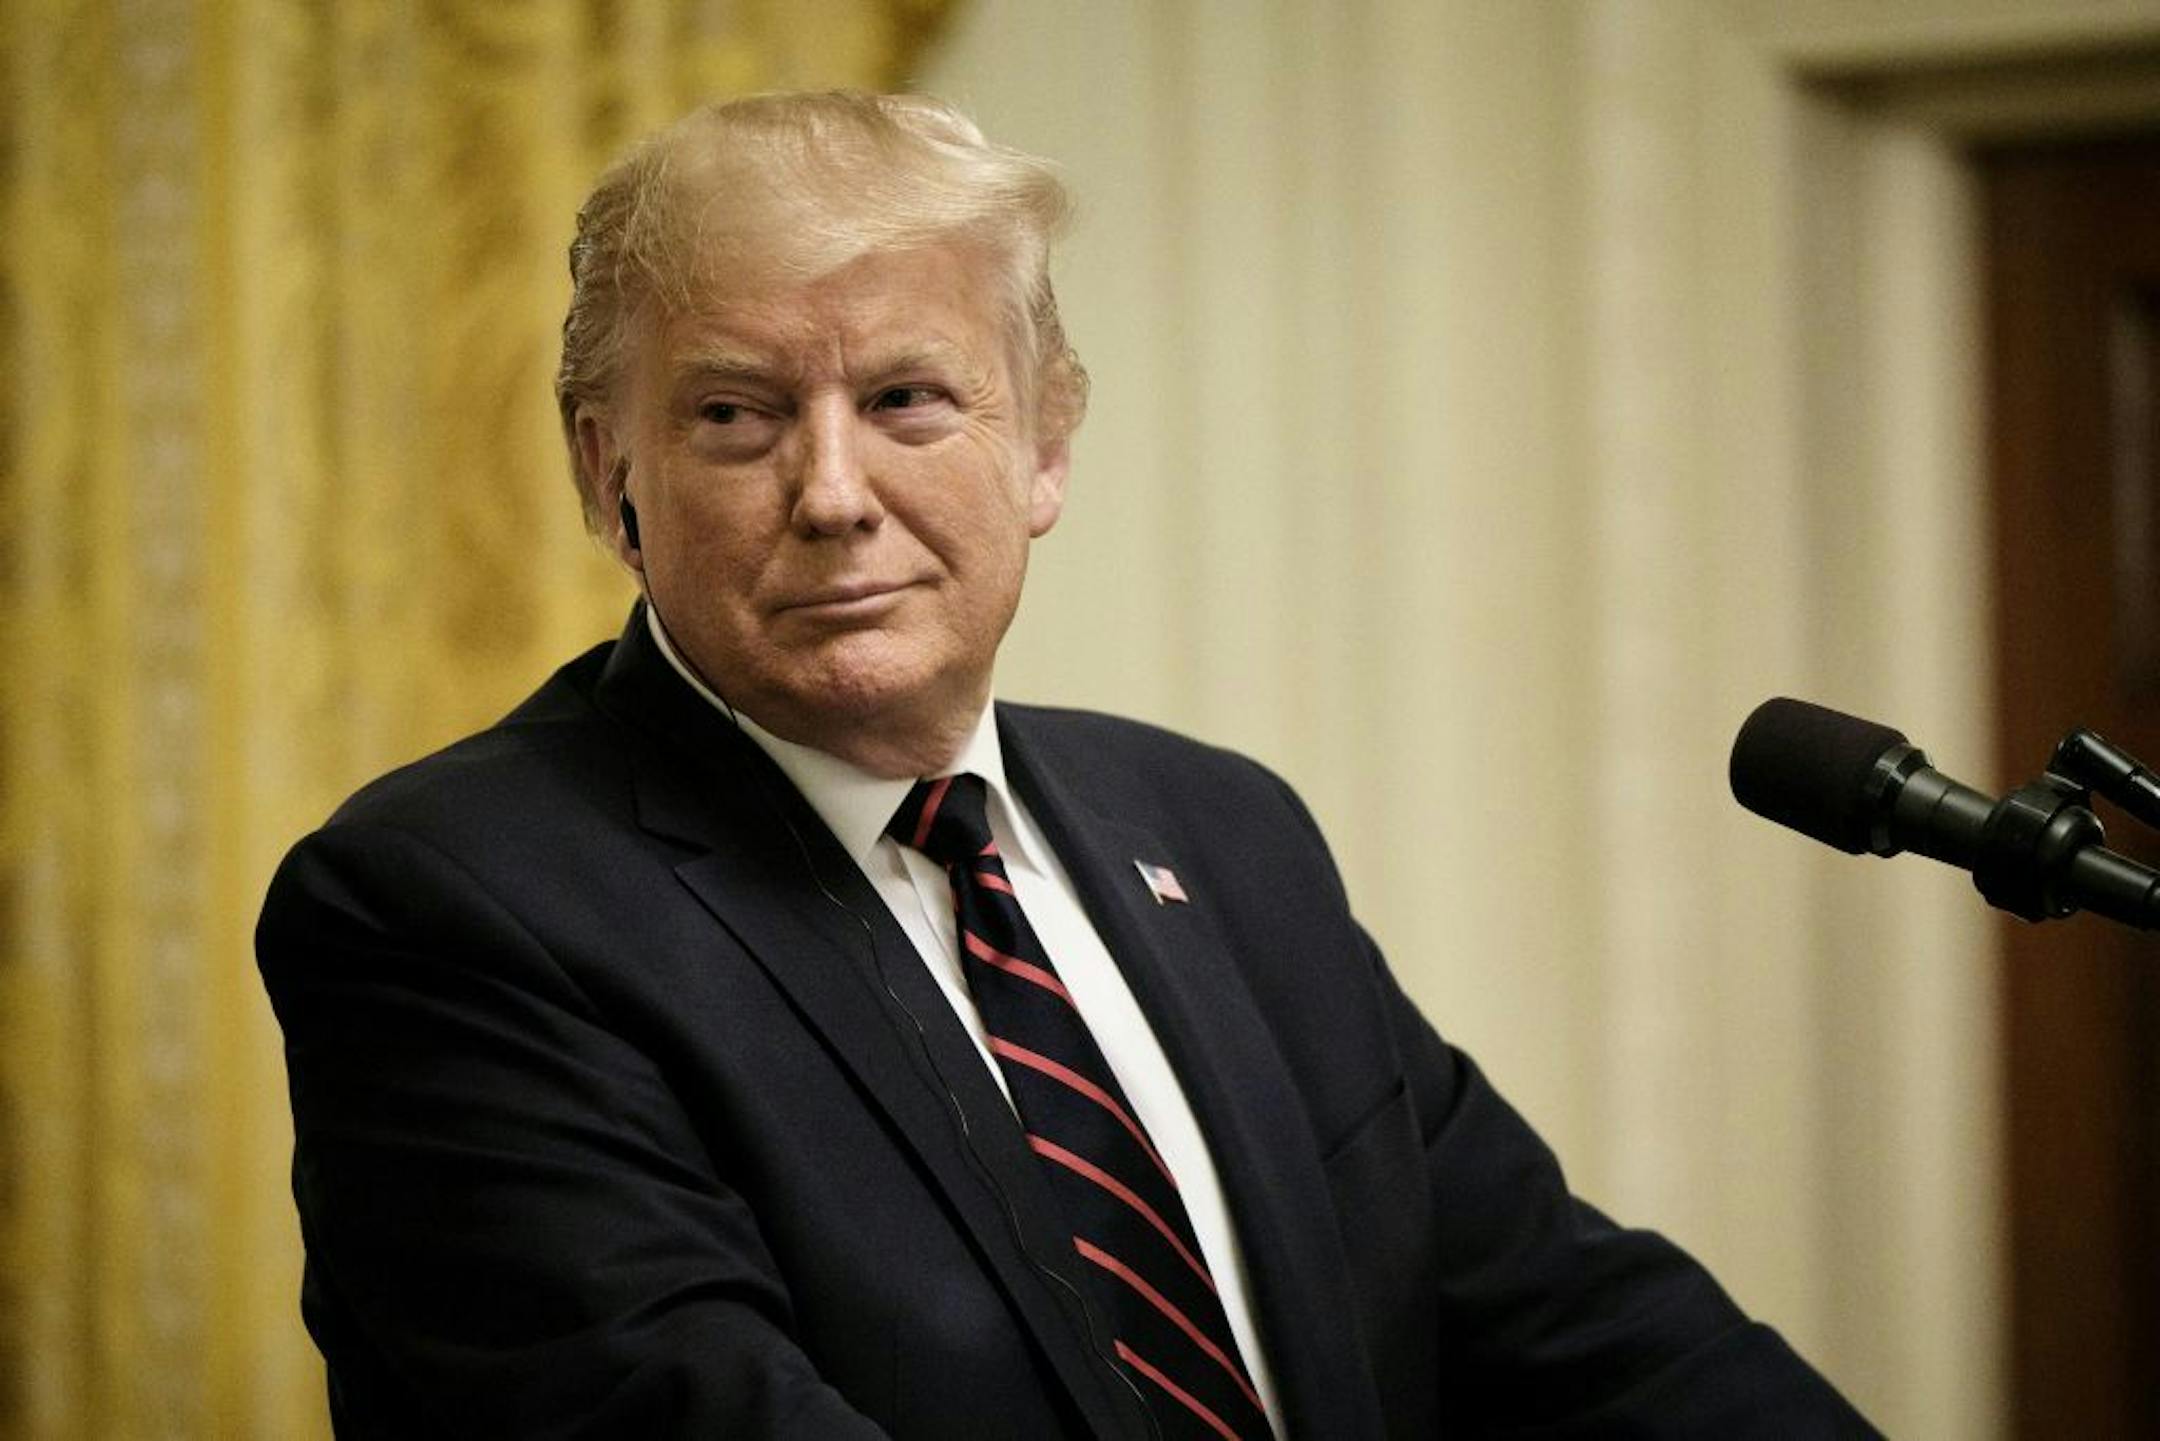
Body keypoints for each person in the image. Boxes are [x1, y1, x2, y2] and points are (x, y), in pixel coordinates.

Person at [256, 92, 1876, 1439]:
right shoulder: (452, 902)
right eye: (739, 416)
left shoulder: (1222, 831)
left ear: (1044, 445)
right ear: (610, 475)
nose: (833, 491)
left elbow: (1570, 1316)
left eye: (907, 397)